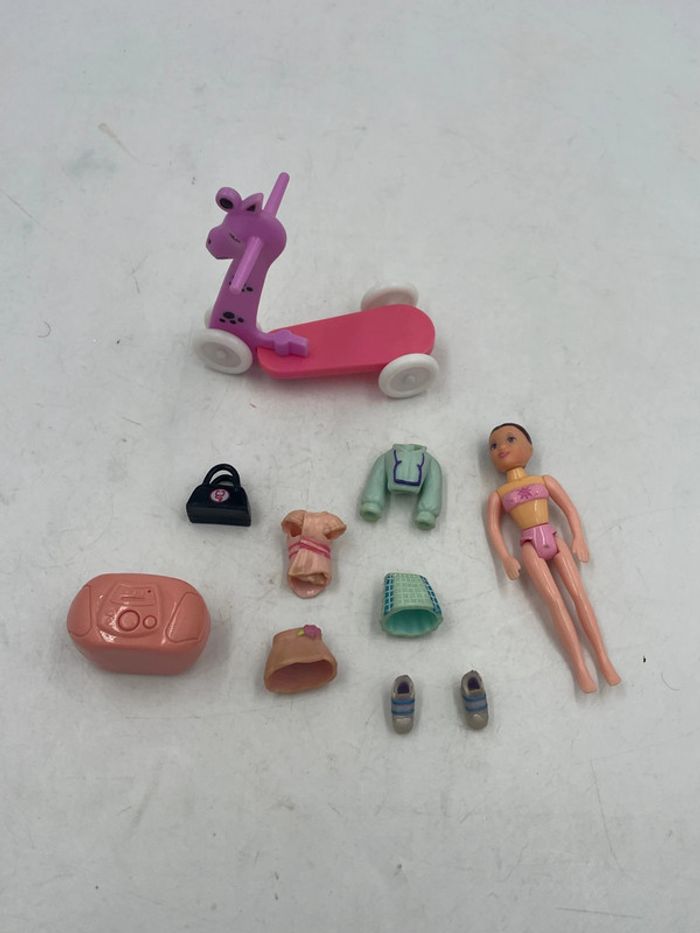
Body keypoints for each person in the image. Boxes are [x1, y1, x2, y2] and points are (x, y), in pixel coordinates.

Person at [485, 423, 620, 693]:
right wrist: (506, 557)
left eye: (510, 439)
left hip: (554, 539)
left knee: (579, 596)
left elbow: (569, 509)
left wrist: (578, 537)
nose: (502, 448)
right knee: (555, 603)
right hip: (529, 546)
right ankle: (580, 668)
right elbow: (493, 528)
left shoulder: (544, 481)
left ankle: (603, 660)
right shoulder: (498, 496)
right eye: (494, 445)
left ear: (530, 447)